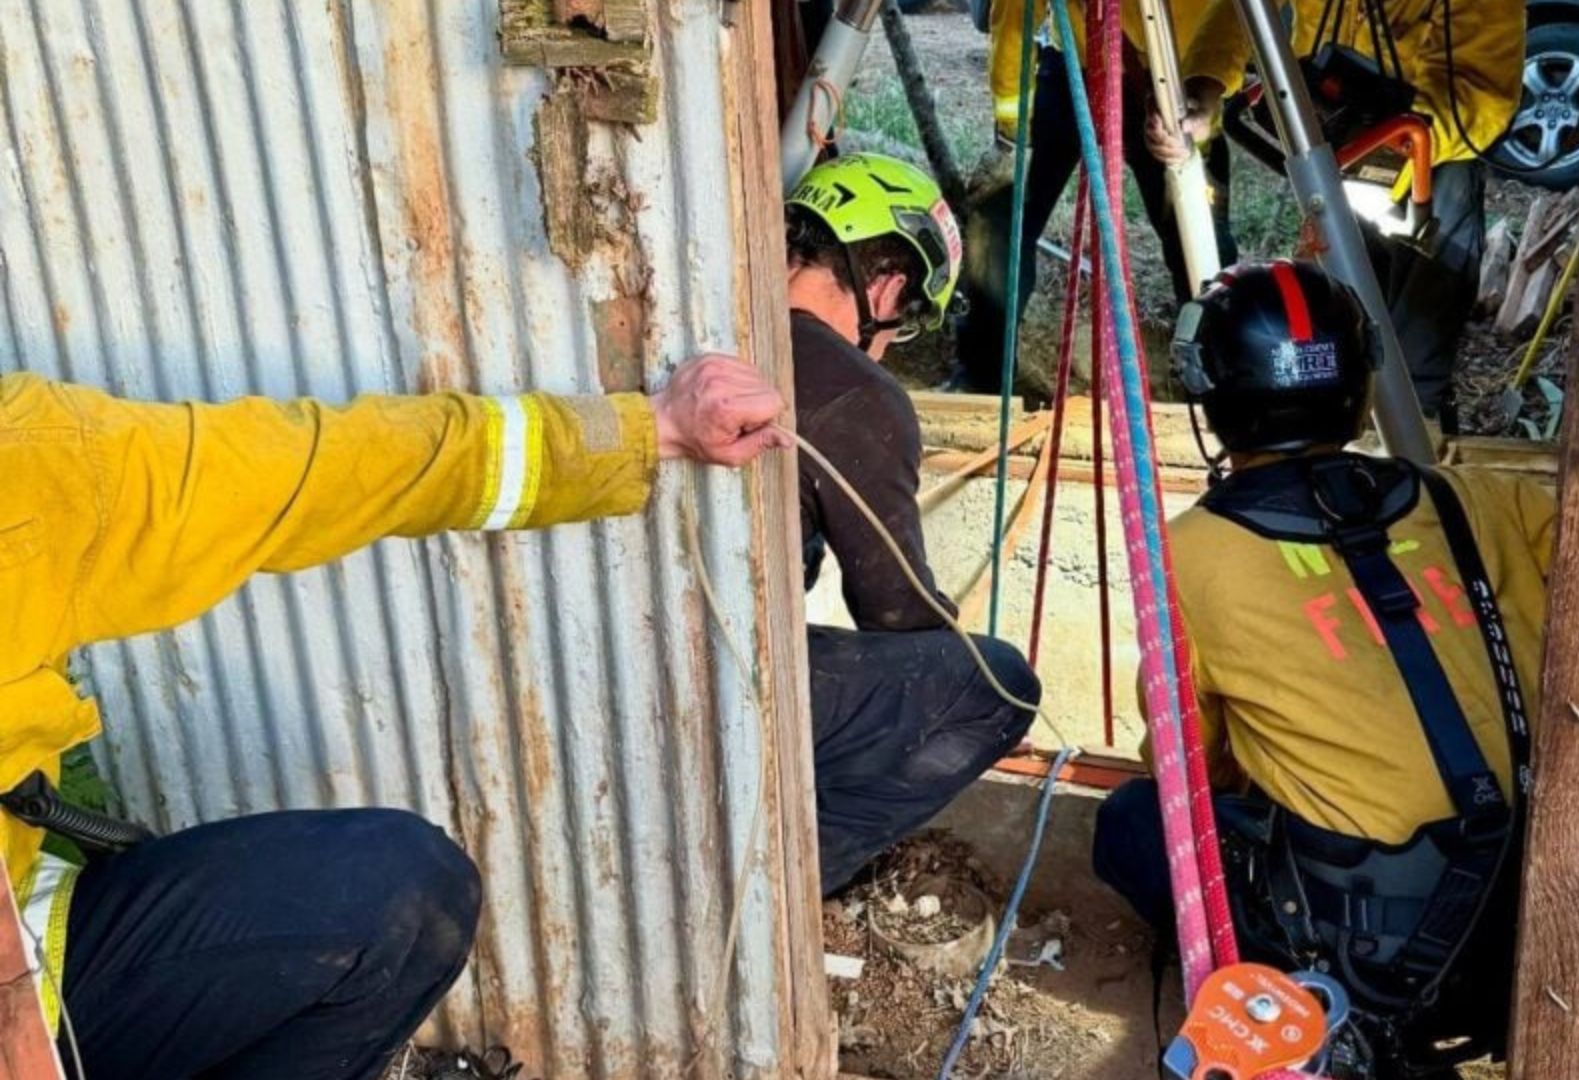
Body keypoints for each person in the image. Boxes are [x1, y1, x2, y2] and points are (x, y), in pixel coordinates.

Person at [0, 355, 788, 1078]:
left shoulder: (27, 465)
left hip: (39, 963)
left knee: (397, 895)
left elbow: (327, 468)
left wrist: (647, 429)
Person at [1091, 261, 1554, 1077]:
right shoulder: (1484, 500)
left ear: (1210, 396)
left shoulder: (1190, 555)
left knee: (1132, 821)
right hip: (1540, 935)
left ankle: (1326, 1036)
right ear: (1359, 381)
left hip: (1376, 971)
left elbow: (1187, 770)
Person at [785, 153, 1041, 892]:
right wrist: (949, 640)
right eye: (904, 320)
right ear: (889, 286)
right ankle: (788, 877)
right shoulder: (856, 391)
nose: (889, 342)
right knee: (995, 684)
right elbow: (896, 611)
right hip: (723, 684)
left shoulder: (710, 319)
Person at [950, 0, 1249, 393]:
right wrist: (1012, 134)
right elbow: (1016, 12)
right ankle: (980, 379)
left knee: (1200, 238)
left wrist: (1207, 86)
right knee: (1000, 219)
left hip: (1180, 77)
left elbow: (1236, 13)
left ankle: (1221, 383)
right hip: (1076, 62)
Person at [1279, 0, 1525, 430]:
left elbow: (1483, 96)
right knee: (1335, 308)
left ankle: (1417, 435)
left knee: (1418, 341)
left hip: (1433, 155)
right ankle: (1332, 413)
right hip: (1343, 145)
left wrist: (1390, 146)